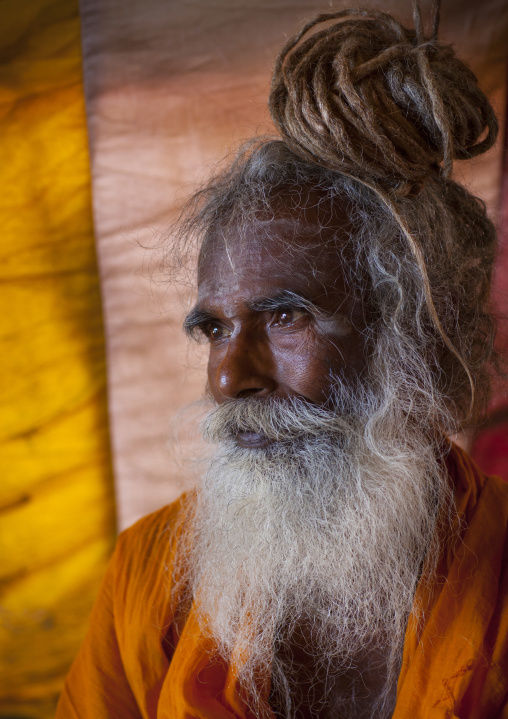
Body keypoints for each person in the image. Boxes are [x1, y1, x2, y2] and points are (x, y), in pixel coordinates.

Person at [56, 3, 508, 718]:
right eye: (213, 329)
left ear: (412, 333)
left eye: (286, 316)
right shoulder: (147, 575)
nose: (231, 378)